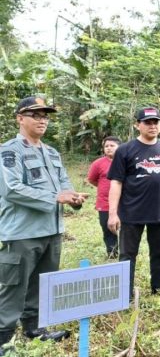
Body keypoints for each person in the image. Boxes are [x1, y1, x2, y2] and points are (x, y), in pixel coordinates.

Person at [0, 96, 89, 354]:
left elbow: (63, 184)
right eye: (35, 115)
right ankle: (4, 339)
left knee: (42, 284)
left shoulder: (51, 152)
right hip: (22, 233)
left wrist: (73, 198)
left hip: (52, 232)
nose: (42, 120)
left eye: (45, 116)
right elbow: (12, 189)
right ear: (20, 118)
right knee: (14, 287)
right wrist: (55, 197)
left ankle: (34, 329)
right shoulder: (9, 151)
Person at [107, 107, 160, 297]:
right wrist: (112, 213)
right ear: (137, 125)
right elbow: (116, 182)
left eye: (156, 122)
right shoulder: (124, 150)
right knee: (127, 255)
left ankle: (159, 288)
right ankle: (123, 294)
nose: (153, 126)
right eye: (147, 122)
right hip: (131, 212)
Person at [87, 136, 121, 259]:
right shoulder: (98, 163)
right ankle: (112, 253)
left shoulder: (126, 161)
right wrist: (105, 188)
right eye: (106, 146)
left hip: (124, 203)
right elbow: (92, 179)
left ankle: (127, 254)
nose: (109, 148)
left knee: (126, 229)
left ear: (119, 147)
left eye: (112, 145)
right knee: (108, 229)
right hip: (104, 203)